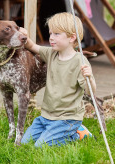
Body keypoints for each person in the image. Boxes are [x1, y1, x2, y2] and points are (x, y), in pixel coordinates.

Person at [20, 12, 96, 147]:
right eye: (50, 34)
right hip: (46, 116)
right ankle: (60, 132)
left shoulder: (80, 61)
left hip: (67, 118)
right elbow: (32, 46)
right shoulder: (51, 54)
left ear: (72, 38)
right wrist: (23, 35)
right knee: (25, 143)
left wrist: (89, 78)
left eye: (56, 34)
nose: (51, 38)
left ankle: (78, 133)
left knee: (40, 146)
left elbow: (90, 92)